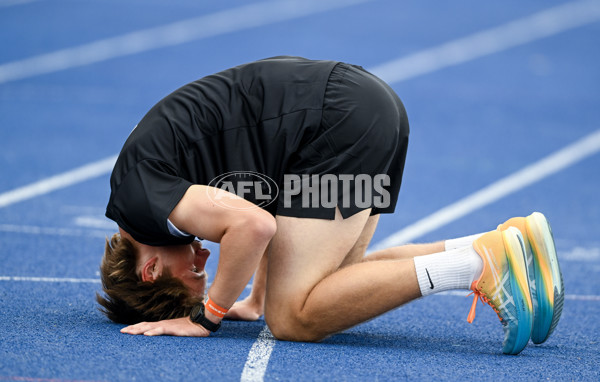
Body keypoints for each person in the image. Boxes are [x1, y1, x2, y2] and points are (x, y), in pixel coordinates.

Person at [97, 56, 564, 355]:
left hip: (336, 122)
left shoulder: (142, 204)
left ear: (150, 268)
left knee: (293, 319)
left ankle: (478, 266)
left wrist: (209, 313)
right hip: (355, 108)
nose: (203, 257)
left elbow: (254, 226)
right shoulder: (150, 190)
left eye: (193, 271)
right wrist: (255, 298)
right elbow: (268, 204)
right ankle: (496, 245)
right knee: (331, 287)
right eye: (204, 270)